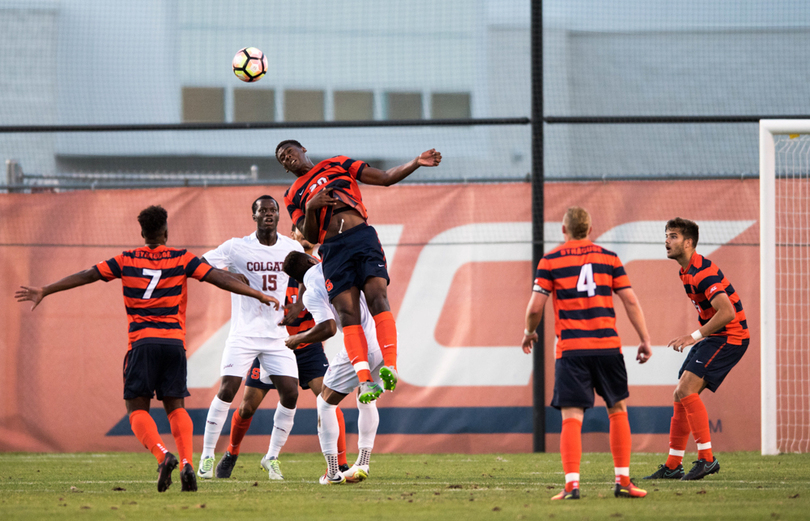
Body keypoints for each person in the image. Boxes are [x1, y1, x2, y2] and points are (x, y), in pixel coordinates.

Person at [15, 205, 277, 493]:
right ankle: (188, 462)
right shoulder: (182, 258)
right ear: (166, 232)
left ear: (142, 233)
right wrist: (256, 293)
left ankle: (163, 456)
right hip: (174, 344)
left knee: (136, 408)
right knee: (176, 406)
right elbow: (218, 277)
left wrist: (46, 289)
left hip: (141, 343)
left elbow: (87, 274)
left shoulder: (125, 260)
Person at [276, 140, 442, 403]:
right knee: (347, 314)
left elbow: (385, 178)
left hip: (361, 237)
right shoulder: (291, 194)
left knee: (379, 298)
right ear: (284, 168)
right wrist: (311, 207)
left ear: (303, 150)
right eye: (282, 159)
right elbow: (309, 235)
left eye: (289, 152)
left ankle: (390, 366)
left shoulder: (337, 163)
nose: (287, 158)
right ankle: (364, 381)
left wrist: (415, 163)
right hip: (332, 250)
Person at [521, 206, 652, 500]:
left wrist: (529, 332)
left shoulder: (550, 261)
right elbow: (630, 301)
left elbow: (534, 308)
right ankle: (623, 482)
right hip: (608, 347)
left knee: (572, 416)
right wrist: (644, 338)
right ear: (591, 230)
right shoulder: (609, 258)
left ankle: (572, 486)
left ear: (564, 230)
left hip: (572, 350)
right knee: (617, 409)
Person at [217, 223, 350, 480]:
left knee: (329, 399)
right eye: (302, 230)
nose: (307, 234)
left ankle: (341, 463)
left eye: (311, 231)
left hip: (308, 347)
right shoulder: (275, 265)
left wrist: (301, 307)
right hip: (274, 345)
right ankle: (232, 453)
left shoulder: (322, 268)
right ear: (292, 236)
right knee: (247, 406)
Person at [196, 196, 304, 480]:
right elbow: (200, 266)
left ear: (279, 216)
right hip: (243, 333)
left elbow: (312, 272)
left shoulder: (291, 247)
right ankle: (207, 456)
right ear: (253, 216)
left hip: (276, 334)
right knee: (228, 390)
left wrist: (300, 304)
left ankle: (271, 457)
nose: (268, 214)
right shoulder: (236, 247)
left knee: (291, 393)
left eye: (272, 210)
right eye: (262, 210)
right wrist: (228, 273)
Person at [644, 217, 749, 481]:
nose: (666, 241)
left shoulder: (703, 271)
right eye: (667, 235)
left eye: (673, 236)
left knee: (685, 389)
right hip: (716, 336)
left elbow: (728, 312)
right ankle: (672, 466)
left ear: (689, 242)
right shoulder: (685, 270)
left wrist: (694, 336)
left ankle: (707, 460)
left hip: (730, 336)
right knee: (680, 394)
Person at [282, 250, 382, 485]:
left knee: (324, 402)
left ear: (297, 279)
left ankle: (333, 471)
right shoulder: (337, 263)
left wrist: (298, 338)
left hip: (359, 345)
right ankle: (363, 461)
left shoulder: (311, 291)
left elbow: (328, 328)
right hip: (381, 337)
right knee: (365, 399)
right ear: (310, 260)